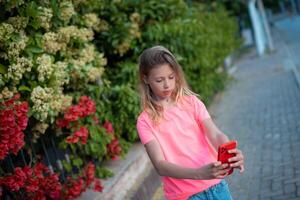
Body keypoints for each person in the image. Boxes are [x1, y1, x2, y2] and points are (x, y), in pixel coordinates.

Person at [136, 46, 245, 200]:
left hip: (217, 187)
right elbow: (160, 165)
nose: (167, 85)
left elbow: (214, 133)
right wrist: (200, 173)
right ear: (145, 79)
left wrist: (230, 153)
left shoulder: (192, 102)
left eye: (171, 77)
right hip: (184, 196)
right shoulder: (144, 121)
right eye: (159, 80)